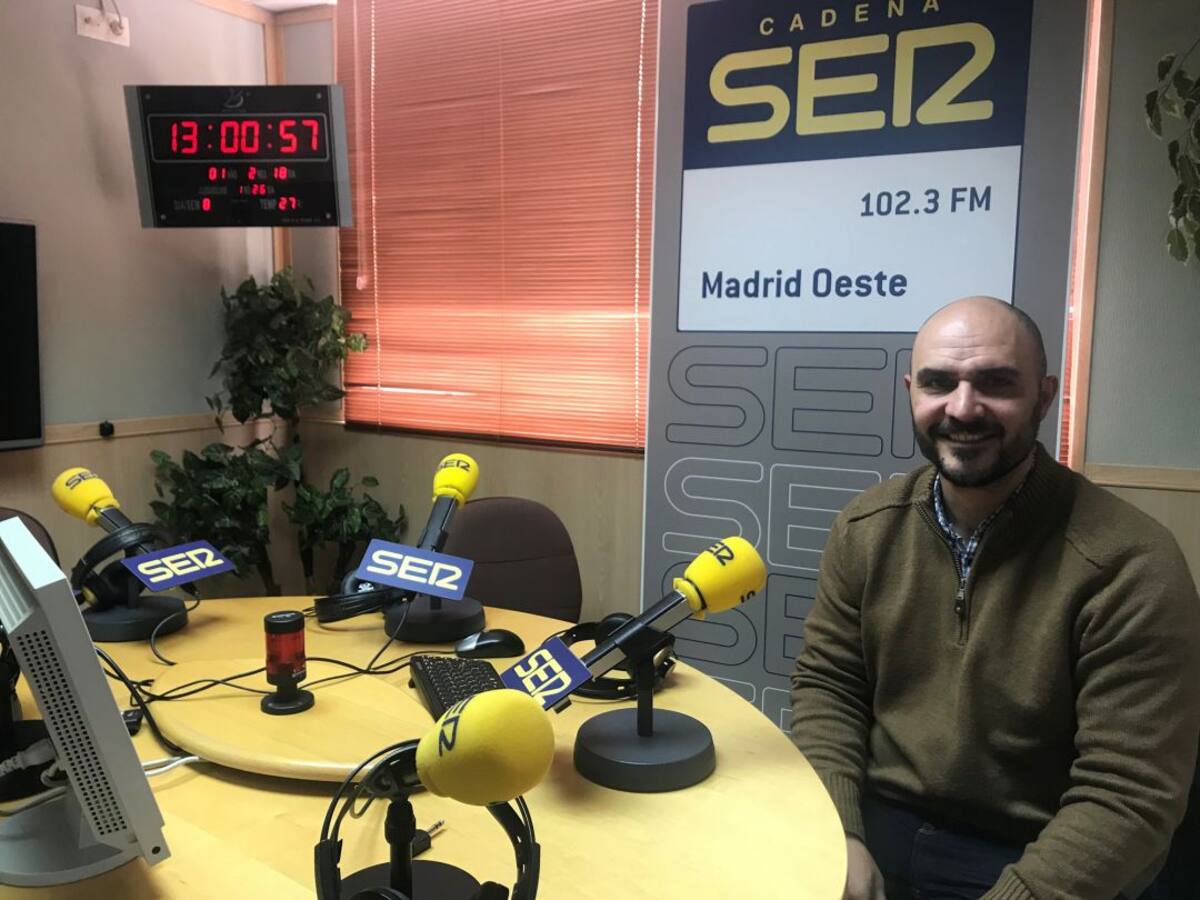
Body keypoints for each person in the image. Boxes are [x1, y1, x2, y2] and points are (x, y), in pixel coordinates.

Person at [791, 296, 1200, 900]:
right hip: (876, 826)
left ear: (1044, 397)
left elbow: (1128, 795)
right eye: (938, 382)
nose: (962, 408)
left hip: (1036, 853)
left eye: (995, 383)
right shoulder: (866, 528)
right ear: (911, 391)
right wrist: (837, 833)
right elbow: (829, 688)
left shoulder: (1129, 563)